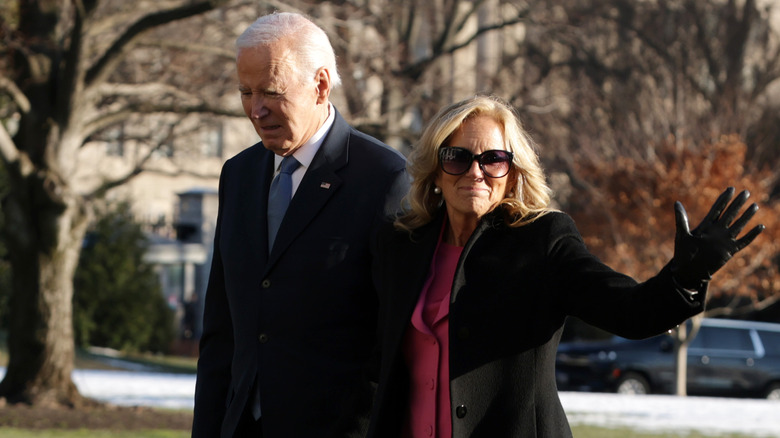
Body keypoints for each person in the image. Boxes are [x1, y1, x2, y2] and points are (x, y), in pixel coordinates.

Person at [367, 95, 764, 438]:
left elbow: (630, 311)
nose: (476, 172)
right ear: (436, 170)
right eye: (457, 157)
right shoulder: (402, 245)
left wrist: (686, 276)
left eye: (493, 160)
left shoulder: (542, 240)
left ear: (513, 173)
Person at [192, 12, 409, 438]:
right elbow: (222, 330)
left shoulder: (384, 178)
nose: (256, 109)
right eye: (246, 92)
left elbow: (393, 343)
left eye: (272, 91)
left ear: (321, 85)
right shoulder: (238, 174)